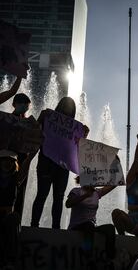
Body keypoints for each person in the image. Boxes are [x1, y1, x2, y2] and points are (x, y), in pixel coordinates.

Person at [31, 97, 89, 229]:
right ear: (60, 106)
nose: (67, 108)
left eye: (70, 106)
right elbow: (35, 131)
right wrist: (41, 118)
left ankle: (56, 227)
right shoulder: (48, 116)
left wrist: (83, 135)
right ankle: (34, 225)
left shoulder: (75, 127)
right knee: (42, 193)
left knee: (59, 197)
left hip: (63, 166)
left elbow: (77, 148)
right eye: (65, 105)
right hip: (46, 162)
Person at [66, 176, 117, 259]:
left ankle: (110, 258)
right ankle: (88, 257)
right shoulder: (76, 191)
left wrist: (116, 167)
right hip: (76, 226)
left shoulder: (97, 193)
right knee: (89, 225)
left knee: (110, 228)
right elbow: (68, 204)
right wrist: (85, 195)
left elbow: (115, 182)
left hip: (90, 227)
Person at [0, 149, 36, 268]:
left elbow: (26, 165)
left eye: (11, 161)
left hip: (7, 218)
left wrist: (32, 154)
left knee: (14, 218)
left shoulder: (15, 179)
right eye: (5, 160)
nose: (8, 163)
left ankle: (10, 261)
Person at [11, 93, 32, 220]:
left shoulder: (29, 123)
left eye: (27, 105)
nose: (24, 107)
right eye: (22, 104)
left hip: (23, 161)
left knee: (20, 193)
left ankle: (17, 219)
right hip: (9, 161)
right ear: (14, 105)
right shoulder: (6, 120)